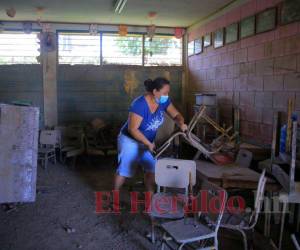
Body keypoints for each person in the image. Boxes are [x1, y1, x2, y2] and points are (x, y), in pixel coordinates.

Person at [114, 77, 187, 193]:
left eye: (168, 93)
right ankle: (114, 198)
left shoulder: (163, 101)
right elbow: (132, 129)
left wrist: (181, 122)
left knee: (152, 168)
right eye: (165, 93)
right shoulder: (139, 104)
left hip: (147, 142)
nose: (167, 96)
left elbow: (176, 114)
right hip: (130, 140)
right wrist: (148, 143)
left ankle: (150, 197)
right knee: (125, 170)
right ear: (155, 91)